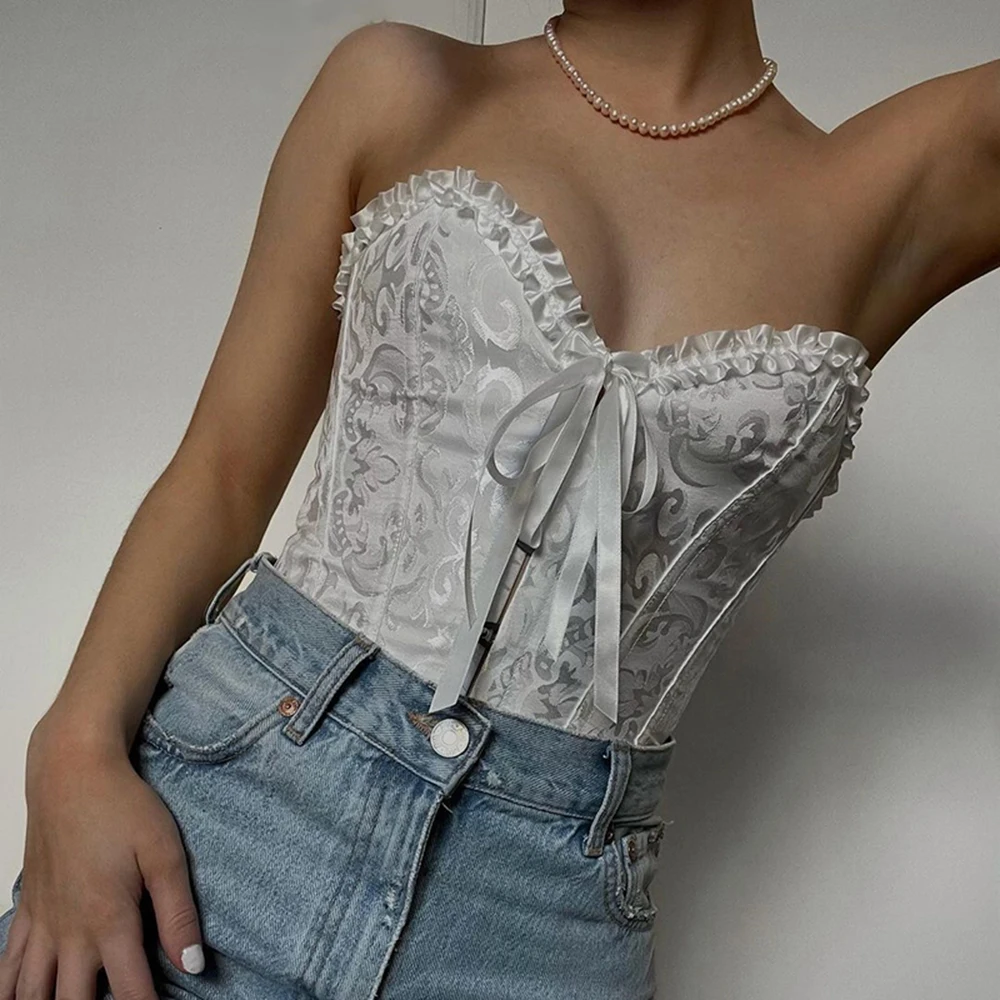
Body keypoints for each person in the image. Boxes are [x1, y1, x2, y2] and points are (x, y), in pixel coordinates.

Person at [1, 3, 997, 998]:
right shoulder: (401, 84)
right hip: (223, 827)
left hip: (543, 923)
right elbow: (222, 471)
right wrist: (72, 748)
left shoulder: (885, 188)